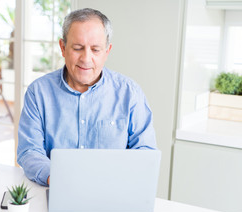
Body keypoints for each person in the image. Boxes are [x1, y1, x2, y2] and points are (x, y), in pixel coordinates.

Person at [17, 8, 157, 186]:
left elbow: (145, 151)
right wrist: (56, 178)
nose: (86, 58)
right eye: (77, 48)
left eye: (96, 50)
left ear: (107, 51)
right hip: (57, 189)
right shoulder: (38, 93)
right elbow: (29, 151)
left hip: (113, 191)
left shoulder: (130, 94)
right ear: (63, 47)